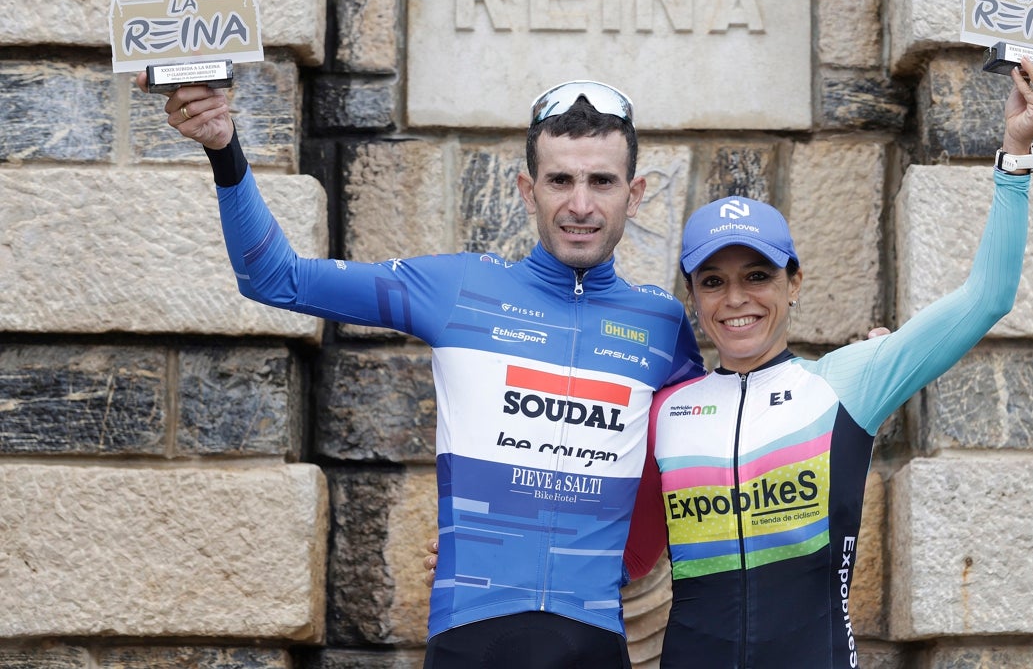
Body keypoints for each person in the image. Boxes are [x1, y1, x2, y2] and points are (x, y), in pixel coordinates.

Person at [145, 73, 705, 669]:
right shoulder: (459, 288)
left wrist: (622, 560)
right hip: (473, 637)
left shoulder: (662, 325)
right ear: (526, 189)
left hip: (592, 639)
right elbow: (274, 277)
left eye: (602, 182)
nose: (581, 204)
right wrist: (224, 150)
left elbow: (690, 468)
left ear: (635, 193)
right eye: (560, 180)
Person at [617, 52, 1033, 668]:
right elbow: (625, 558)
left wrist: (1016, 153)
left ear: (794, 282)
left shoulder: (848, 382)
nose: (735, 300)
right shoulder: (669, 410)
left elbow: (987, 297)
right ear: (692, 296)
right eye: (712, 282)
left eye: (757, 276)